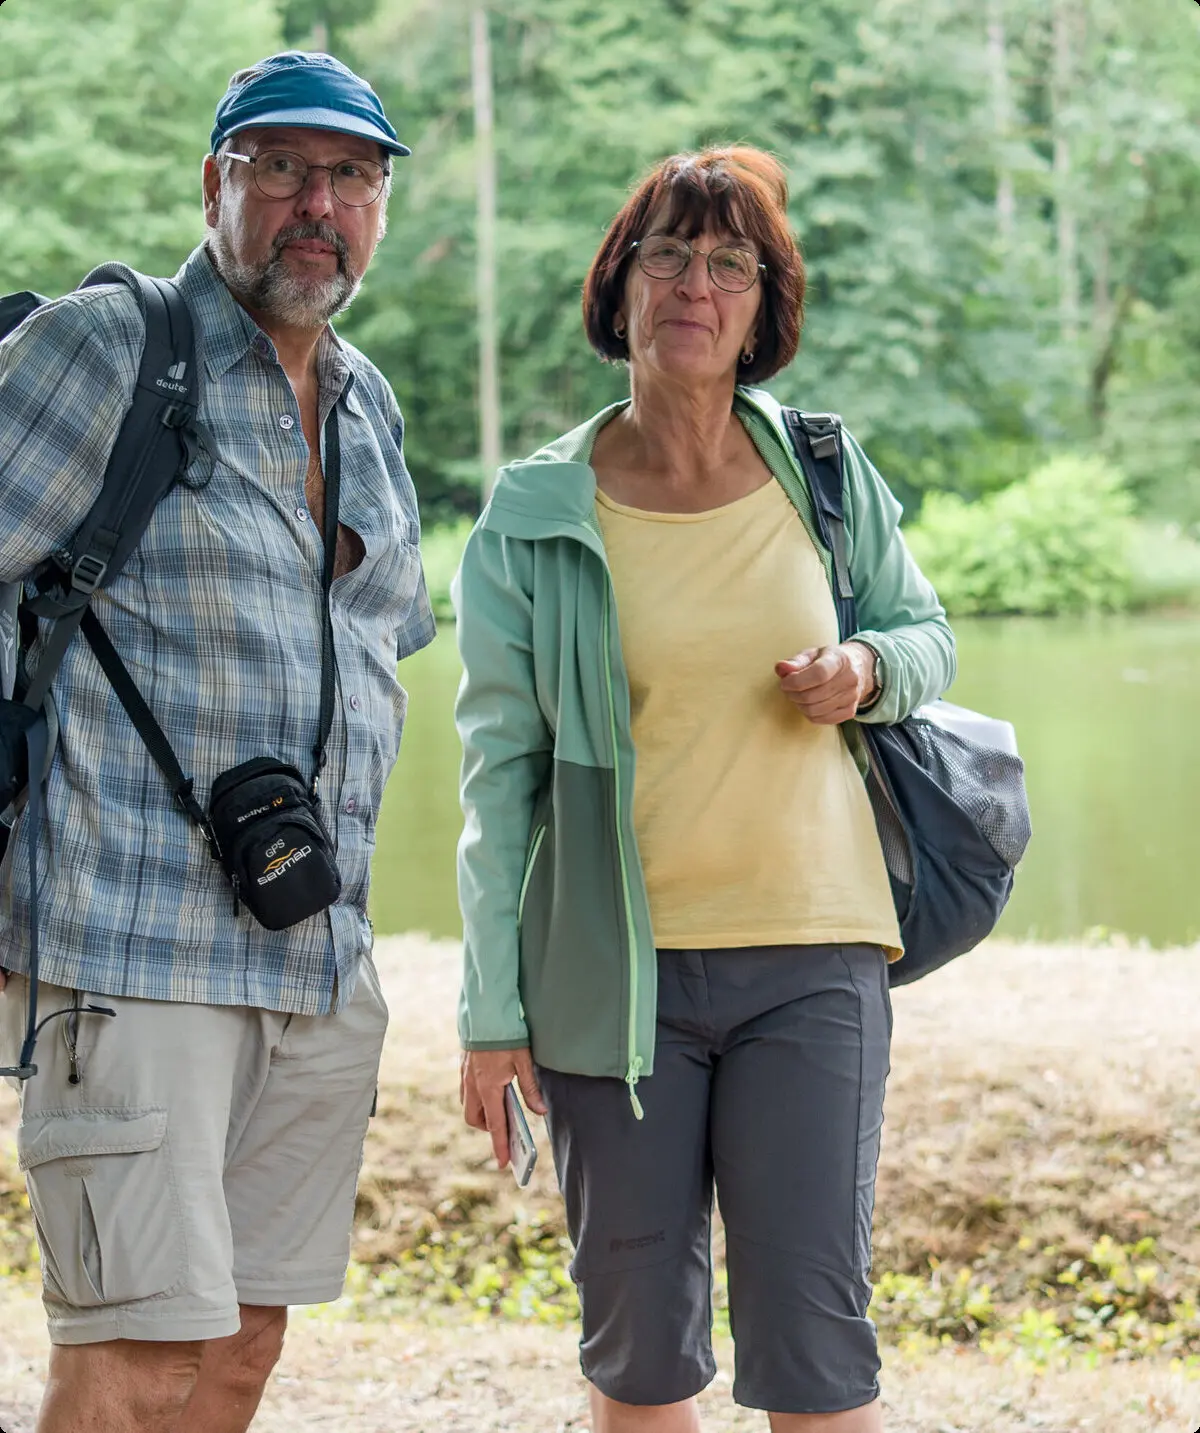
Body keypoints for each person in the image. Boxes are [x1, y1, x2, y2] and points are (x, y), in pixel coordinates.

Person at [454, 146, 955, 1433]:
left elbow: (927, 636)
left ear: (764, 306)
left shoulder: (825, 472)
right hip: (613, 982)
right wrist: (489, 1009)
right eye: (668, 252)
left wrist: (867, 665)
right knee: (638, 1355)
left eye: (731, 262)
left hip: (814, 954)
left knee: (816, 1341)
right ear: (619, 285)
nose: (697, 282)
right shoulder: (534, 508)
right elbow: (499, 776)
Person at [0, 51, 434, 1433]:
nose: (320, 202)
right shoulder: (104, 347)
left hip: (314, 953)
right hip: (132, 950)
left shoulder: (368, 402)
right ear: (214, 186)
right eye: (283, 169)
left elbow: (377, 644)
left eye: (352, 176)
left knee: (243, 1343)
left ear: (380, 207)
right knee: (133, 1357)